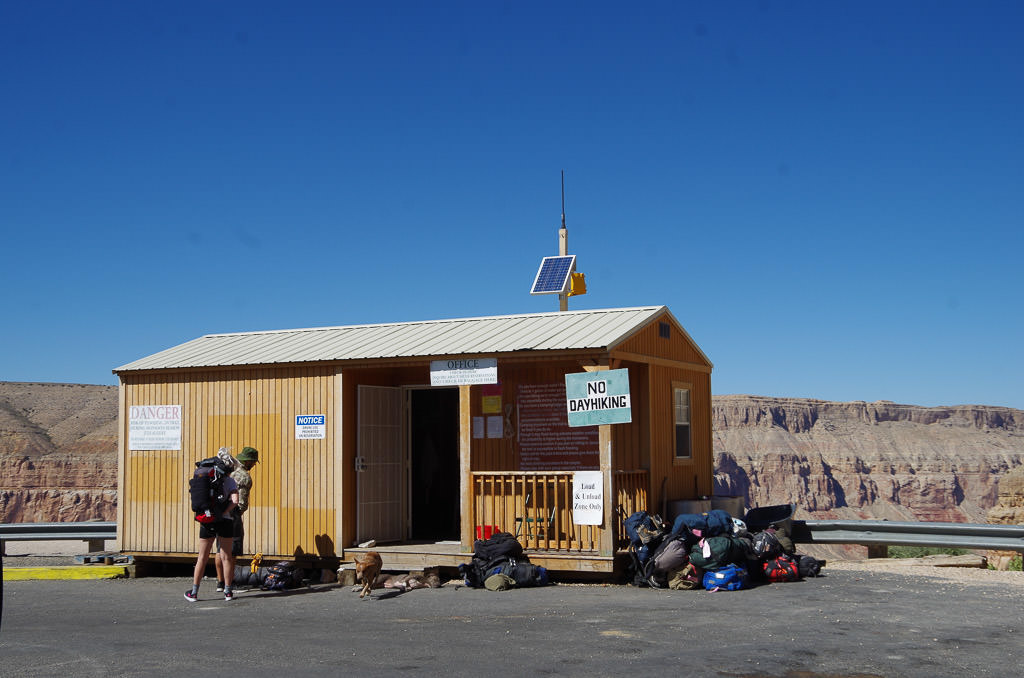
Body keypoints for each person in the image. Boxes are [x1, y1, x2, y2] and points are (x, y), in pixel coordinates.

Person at [184, 463, 239, 602]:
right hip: (225, 521)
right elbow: (235, 501)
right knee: (226, 557)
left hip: (207, 520)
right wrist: (224, 512)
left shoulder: (207, 479)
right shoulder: (231, 481)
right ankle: (228, 592)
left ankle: (194, 592)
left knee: (202, 557)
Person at [214, 446, 259, 593]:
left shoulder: (228, 470)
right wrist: (237, 514)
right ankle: (230, 582)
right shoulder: (244, 476)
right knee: (232, 551)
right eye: (253, 462)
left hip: (219, 512)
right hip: (233, 514)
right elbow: (242, 503)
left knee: (220, 549)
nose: (253, 465)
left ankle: (220, 583)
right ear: (249, 462)